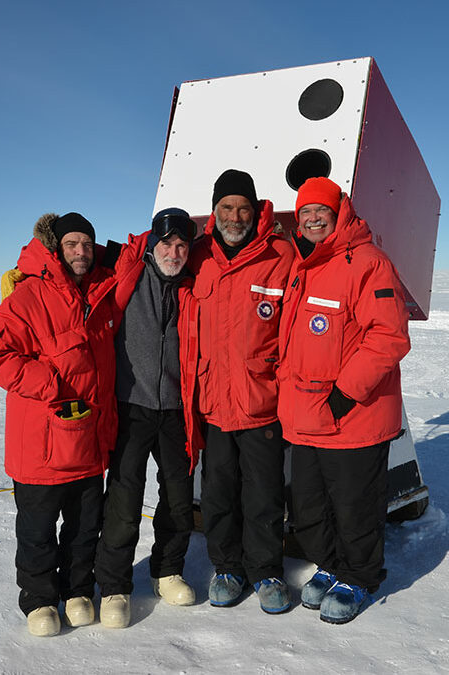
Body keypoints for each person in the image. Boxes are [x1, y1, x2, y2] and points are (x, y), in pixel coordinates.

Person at [278, 177, 411, 624]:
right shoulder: (303, 265)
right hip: (304, 415)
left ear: (340, 213)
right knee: (311, 508)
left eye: (322, 211)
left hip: (351, 414)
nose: (313, 219)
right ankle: (332, 564)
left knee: (356, 505)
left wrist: (344, 395)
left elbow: (388, 337)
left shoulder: (369, 262)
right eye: (305, 213)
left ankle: (359, 576)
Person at [0, 212, 118, 637]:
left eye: (87, 244)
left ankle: (77, 590)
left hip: (89, 439)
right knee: (38, 531)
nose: (81, 252)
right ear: (57, 247)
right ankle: (39, 599)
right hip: (39, 444)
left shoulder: (100, 292)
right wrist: (51, 384)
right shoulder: (29, 296)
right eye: (72, 243)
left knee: (83, 527)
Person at [188, 169, 296, 613]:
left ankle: (267, 572)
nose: (235, 216)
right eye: (227, 207)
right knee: (217, 495)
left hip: (261, 402)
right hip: (213, 403)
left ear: (255, 211)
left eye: (243, 208)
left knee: (264, 496)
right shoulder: (198, 256)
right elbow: (134, 263)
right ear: (214, 212)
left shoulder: (280, 255)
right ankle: (227, 568)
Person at [94, 208, 203, 629]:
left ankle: (167, 571)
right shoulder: (125, 273)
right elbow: (73, 262)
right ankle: (116, 586)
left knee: (177, 498)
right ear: (151, 246)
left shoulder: (194, 286)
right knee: (122, 501)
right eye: (167, 244)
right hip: (131, 405)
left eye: (181, 246)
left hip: (177, 409)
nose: (174, 252)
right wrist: (23, 278)